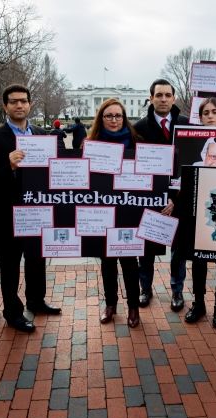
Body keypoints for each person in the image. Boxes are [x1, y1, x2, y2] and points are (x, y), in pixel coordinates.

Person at [0, 84, 62, 333]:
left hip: (38, 211)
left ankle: (36, 300)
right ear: (5, 106)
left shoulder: (42, 135)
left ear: (29, 104)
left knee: (37, 259)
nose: (19, 105)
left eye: (23, 101)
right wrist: (10, 167)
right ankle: (13, 312)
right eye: (13, 101)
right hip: (9, 214)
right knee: (10, 264)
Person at [133, 79, 187, 311]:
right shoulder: (139, 128)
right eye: (158, 95)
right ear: (151, 97)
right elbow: (132, 166)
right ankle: (145, 288)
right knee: (146, 249)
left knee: (179, 249)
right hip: (150, 199)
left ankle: (177, 290)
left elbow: (191, 163)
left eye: (167, 95)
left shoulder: (187, 126)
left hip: (180, 198)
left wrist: (174, 197)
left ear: (174, 98)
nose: (163, 99)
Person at [90, 98, 143, 328]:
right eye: (108, 115)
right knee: (107, 261)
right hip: (102, 211)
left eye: (118, 115)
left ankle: (133, 306)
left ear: (124, 118)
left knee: (130, 261)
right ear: (101, 118)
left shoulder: (137, 142)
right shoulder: (90, 143)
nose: (114, 120)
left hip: (129, 209)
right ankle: (110, 304)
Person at [184, 97, 216, 328]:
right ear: (200, 117)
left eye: (215, 112)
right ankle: (199, 302)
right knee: (198, 258)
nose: (211, 116)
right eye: (206, 113)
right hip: (199, 209)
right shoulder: (193, 141)